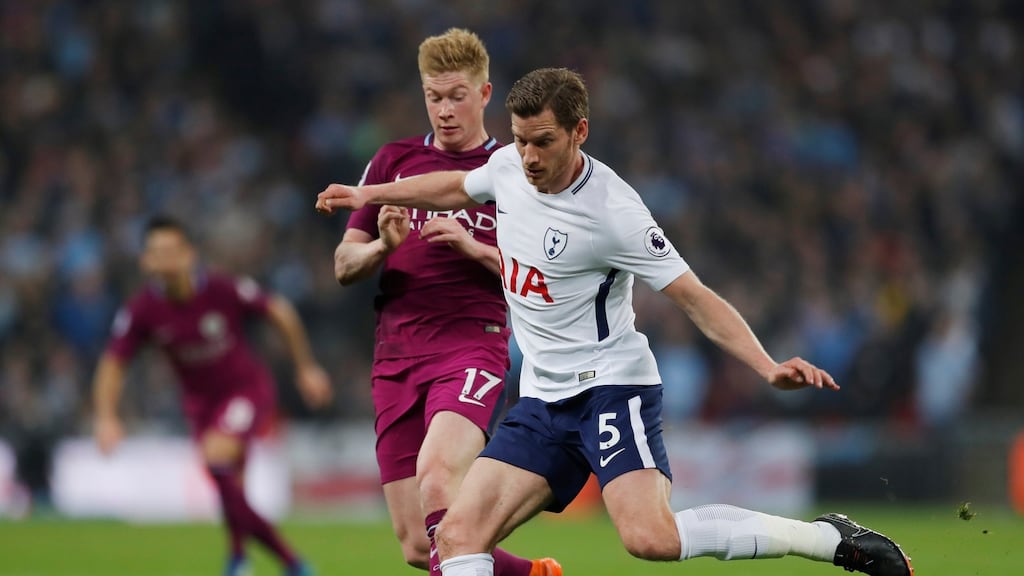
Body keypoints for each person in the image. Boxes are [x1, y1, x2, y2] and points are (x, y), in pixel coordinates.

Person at [315, 67, 914, 576]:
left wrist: (767, 366)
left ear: (579, 132)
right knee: (456, 537)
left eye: (543, 142)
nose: (527, 157)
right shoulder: (506, 169)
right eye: (520, 140)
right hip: (543, 398)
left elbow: (695, 296)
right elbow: (453, 186)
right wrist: (370, 196)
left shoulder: (615, 212)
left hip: (611, 386)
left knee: (649, 538)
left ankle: (824, 539)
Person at [330, 29, 560, 576]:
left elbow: (548, 273)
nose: (445, 110)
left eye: (457, 96)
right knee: (417, 545)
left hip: (470, 347)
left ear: (484, 95)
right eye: (434, 97)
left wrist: (473, 246)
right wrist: (383, 247)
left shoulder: (515, 168)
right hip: (395, 358)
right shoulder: (393, 161)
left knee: (438, 477)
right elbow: (343, 264)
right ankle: (534, 575)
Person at [92, 215, 333, 576]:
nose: (167, 259)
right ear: (146, 261)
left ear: (190, 254)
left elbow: (278, 310)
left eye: (174, 250)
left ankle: (292, 563)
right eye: (158, 252)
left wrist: (305, 367)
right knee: (227, 482)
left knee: (217, 459)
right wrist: (106, 416)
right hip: (200, 404)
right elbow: (113, 363)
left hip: (245, 391)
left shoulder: (221, 289)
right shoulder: (141, 310)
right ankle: (237, 556)